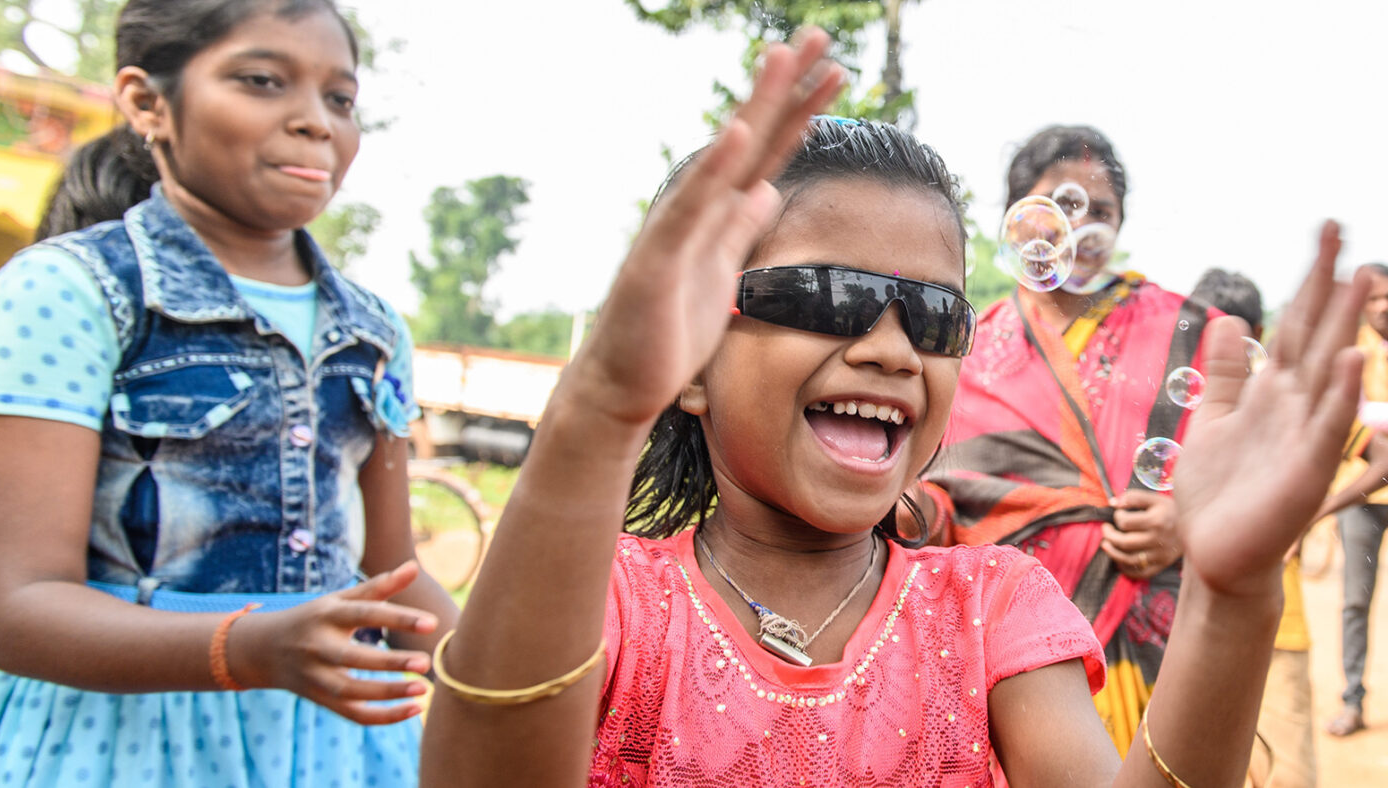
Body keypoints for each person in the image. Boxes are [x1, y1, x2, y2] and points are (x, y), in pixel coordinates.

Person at [417, 28, 1368, 786]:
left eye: (934, 314)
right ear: (692, 359)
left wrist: (1233, 599)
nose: (888, 348)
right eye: (828, 298)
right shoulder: (611, 602)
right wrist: (595, 414)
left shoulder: (993, 608)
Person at [0, 1, 459, 786]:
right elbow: (15, 603)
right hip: (115, 743)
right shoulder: (66, 293)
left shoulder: (375, 331)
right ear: (146, 102)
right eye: (263, 81)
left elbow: (396, 573)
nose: (315, 123)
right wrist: (247, 649)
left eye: (339, 99)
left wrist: (521, 685)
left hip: (329, 750)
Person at [913, 125, 1219, 754]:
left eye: (1099, 211)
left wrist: (1189, 521)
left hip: (1165, 646)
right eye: (1060, 205)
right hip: (1018, 660)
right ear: (1016, 219)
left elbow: (1250, 471)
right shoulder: (967, 355)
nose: (1076, 227)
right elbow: (943, 498)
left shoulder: (1186, 331)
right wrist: (906, 514)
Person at [1189, 268, 1315, 788]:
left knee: (1286, 767)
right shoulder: (1172, 413)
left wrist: (1315, 513)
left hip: (1276, 630)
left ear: (1258, 339)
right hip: (1192, 627)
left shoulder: (1285, 412)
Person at [1321, 261, 1388, 737]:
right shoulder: (1347, 356)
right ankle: (1353, 701)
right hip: (1359, 495)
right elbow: (1339, 420)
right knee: (1355, 601)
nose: (1383, 306)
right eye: (1374, 299)